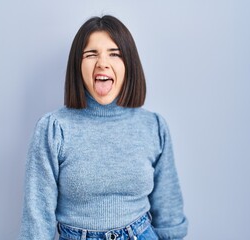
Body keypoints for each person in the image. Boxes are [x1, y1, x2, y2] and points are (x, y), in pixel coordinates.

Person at [19, 15, 188, 240]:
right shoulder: (53, 129)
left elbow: (169, 212)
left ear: (129, 64)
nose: (103, 63)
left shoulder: (153, 126)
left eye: (114, 54)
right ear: (78, 66)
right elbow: (37, 218)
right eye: (91, 54)